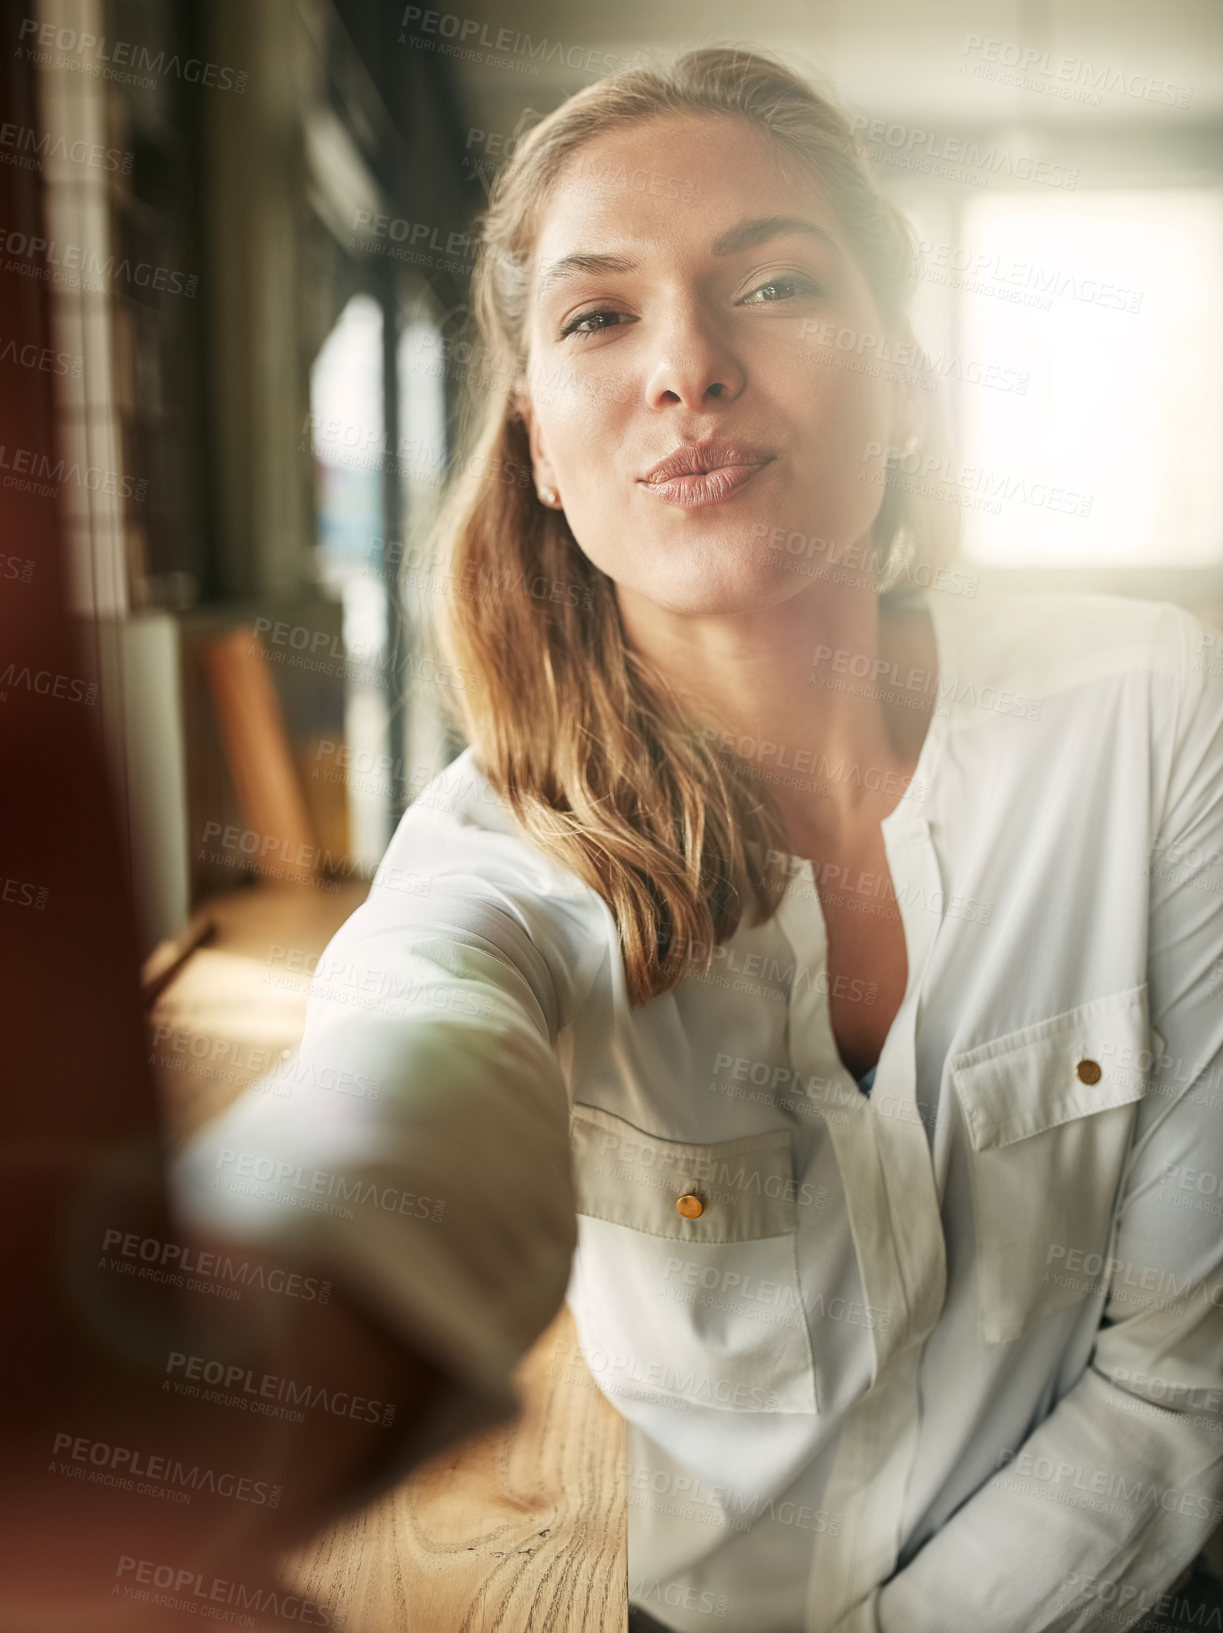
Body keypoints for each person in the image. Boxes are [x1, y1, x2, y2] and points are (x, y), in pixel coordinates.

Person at [171, 47, 1223, 1633]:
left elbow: (1176, 1378)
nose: (687, 367)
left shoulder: (1150, 706)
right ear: (535, 438)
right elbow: (396, 1092)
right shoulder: (491, 868)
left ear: (914, 385)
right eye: (599, 314)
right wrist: (204, 1323)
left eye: (777, 283)